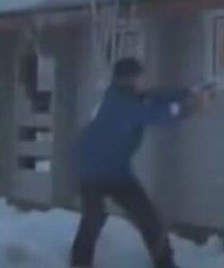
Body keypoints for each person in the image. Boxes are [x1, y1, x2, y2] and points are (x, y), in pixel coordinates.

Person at [70, 57, 214, 268]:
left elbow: (159, 95)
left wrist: (191, 92)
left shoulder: (134, 96)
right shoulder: (119, 103)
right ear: (128, 80)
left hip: (118, 172)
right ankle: (80, 263)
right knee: (95, 216)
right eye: (140, 76)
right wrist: (191, 108)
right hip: (90, 169)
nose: (143, 80)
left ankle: (165, 264)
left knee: (148, 217)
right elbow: (157, 116)